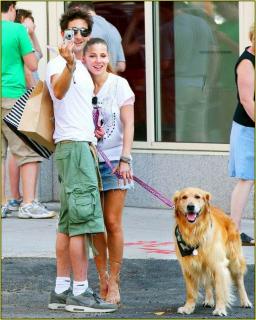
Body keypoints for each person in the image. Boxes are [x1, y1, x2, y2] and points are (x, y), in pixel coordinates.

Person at [46, 8, 117, 313]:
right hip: (74, 150)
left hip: (79, 145)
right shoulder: (57, 63)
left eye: (83, 32)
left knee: (67, 223)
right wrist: (70, 64)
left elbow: (73, 107)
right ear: (62, 32)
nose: (77, 37)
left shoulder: (85, 70)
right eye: (72, 31)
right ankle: (80, 291)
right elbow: (59, 92)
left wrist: (92, 127)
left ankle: (62, 290)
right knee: (82, 224)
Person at [83, 38, 135, 304]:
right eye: (92, 55)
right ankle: (101, 277)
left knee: (112, 222)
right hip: (87, 162)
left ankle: (114, 280)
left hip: (115, 161)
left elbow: (128, 123)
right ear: (84, 58)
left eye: (103, 55)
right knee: (95, 225)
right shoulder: (79, 84)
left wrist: (125, 159)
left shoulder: (119, 84)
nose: (98, 60)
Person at [1, 1, 55, 219]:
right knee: (27, 151)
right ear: (12, 8)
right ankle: (28, 204)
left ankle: (3, 203)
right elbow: (33, 65)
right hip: (12, 96)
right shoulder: (16, 30)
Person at [7, 8, 44, 214]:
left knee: (16, 150)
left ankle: (16, 199)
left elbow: (37, 54)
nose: (33, 26)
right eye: (31, 23)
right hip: (24, 97)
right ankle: (20, 199)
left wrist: (31, 33)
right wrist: (33, 97)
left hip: (21, 96)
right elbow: (29, 68)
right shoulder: (16, 35)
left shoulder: (23, 35)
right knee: (22, 151)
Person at [229, 25, 255, 246]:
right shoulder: (247, 62)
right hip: (248, 127)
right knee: (246, 178)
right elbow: (247, 101)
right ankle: (234, 232)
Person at [67, 1, 126, 73]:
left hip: (89, 81)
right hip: (110, 81)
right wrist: (107, 74)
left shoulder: (85, 28)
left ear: (77, 10)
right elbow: (121, 66)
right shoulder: (113, 29)